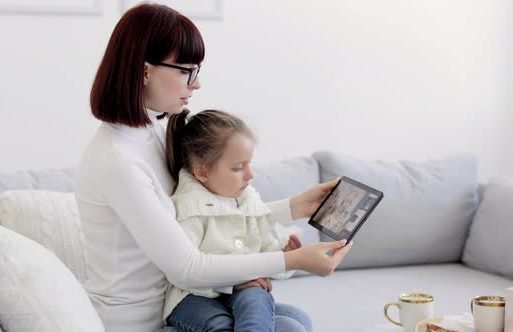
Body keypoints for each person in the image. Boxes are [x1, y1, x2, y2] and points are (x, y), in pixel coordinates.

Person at [75, 3, 353, 332]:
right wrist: (292, 260)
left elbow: (203, 214)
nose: (196, 84)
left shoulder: (158, 131)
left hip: (191, 302)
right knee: (289, 327)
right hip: (143, 321)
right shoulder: (118, 160)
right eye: (186, 70)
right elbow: (188, 267)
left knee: (296, 319)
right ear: (145, 70)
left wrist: (295, 207)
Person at [163, 109, 301, 332]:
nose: (250, 174)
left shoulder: (247, 199)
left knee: (291, 315)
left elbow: (263, 254)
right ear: (202, 172)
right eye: (238, 168)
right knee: (222, 325)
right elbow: (184, 273)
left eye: (249, 164)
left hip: (238, 293)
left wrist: (284, 256)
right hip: (193, 298)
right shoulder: (188, 208)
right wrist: (233, 282)